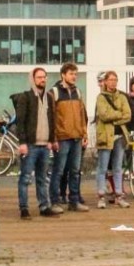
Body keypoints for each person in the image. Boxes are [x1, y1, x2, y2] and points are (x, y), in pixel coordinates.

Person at [11, 67, 59, 218]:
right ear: (32, 79)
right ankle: (24, 207)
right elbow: (21, 122)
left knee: (43, 178)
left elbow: (52, 119)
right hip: (30, 145)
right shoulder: (26, 97)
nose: (42, 80)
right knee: (25, 178)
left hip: (45, 145)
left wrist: (52, 140)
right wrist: (22, 142)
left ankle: (44, 206)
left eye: (44, 77)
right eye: (39, 77)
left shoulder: (49, 97)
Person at [49, 62, 89, 211]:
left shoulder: (78, 92)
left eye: (75, 74)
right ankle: (54, 201)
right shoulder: (54, 92)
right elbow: (50, 117)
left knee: (75, 170)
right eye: (71, 74)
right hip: (62, 137)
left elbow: (82, 115)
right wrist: (53, 138)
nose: (74, 77)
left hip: (77, 137)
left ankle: (74, 200)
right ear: (63, 75)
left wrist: (84, 134)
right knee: (58, 171)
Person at [95, 71, 132, 207]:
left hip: (120, 136)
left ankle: (119, 195)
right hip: (105, 136)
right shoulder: (101, 98)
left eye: (115, 79)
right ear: (105, 81)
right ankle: (101, 196)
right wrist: (118, 115)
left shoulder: (122, 97)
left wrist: (114, 119)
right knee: (102, 167)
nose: (113, 82)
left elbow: (128, 115)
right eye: (110, 79)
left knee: (117, 167)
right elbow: (103, 115)